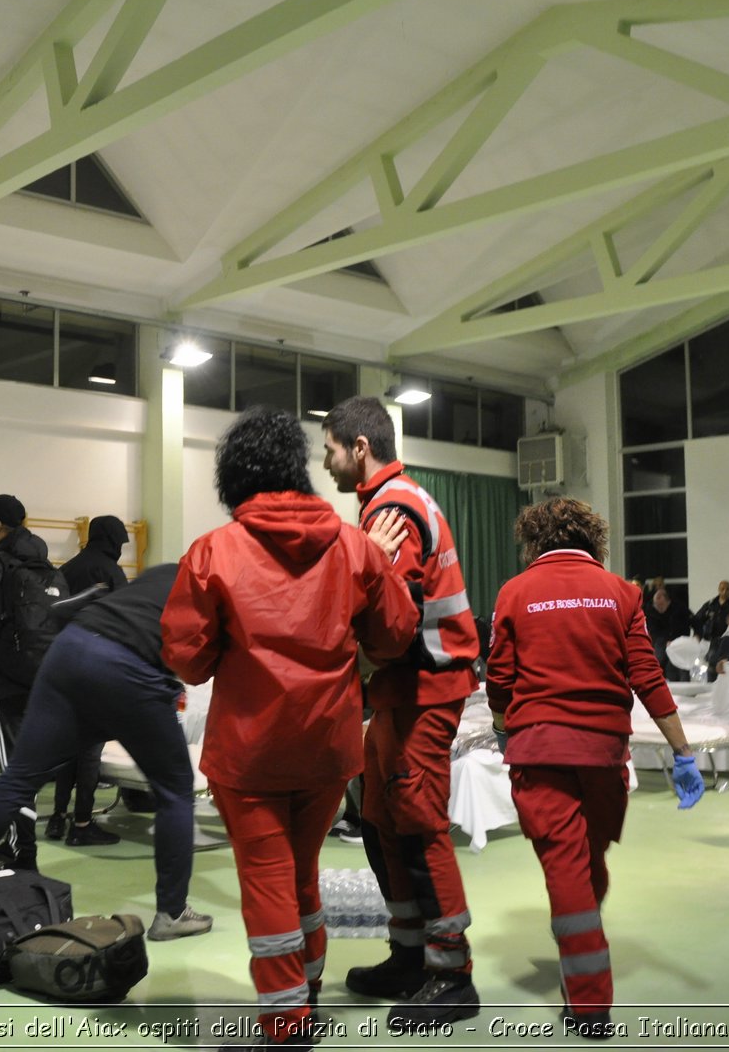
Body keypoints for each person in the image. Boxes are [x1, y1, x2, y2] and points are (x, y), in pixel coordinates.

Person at [163, 407, 419, 1052]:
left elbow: (187, 658)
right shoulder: (355, 544)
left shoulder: (213, 552)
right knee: (301, 872)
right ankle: (302, 998)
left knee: (270, 881)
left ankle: (286, 1031)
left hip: (250, 752)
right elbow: (393, 636)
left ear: (232, 477)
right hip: (329, 748)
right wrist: (380, 568)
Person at [484, 497, 704, 1039]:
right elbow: (647, 675)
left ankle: (590, 1006)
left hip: (538, 754)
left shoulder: (515, 593)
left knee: (568, 872)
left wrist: (501, 728)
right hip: (605, 755)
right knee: (588, 860)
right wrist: (682, 751)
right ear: (592, 540)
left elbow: (499, 679)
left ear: (534, 541)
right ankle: (582, 946)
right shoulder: (621, 593)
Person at [320, 395, 486, 1030]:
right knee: (383, 820)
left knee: (416, 824)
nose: (326, 463)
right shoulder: (394, 503)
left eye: (330, 450)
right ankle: (411, 954)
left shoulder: (391, 509)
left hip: (423, 686)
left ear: (360, 448)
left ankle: (452, 973)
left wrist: (354, 571)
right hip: (403, 689)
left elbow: (393, 620)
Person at [0, 563, 214, 938]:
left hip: (71, 650)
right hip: (129, 670)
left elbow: (62, 610)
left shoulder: (167, 571)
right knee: (175, 789)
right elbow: (199, 667)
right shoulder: (222, 595)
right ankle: (172, 913)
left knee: (18, 780)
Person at [0, 494, 66, 853]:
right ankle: (17, 841)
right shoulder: (44, 564)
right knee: (25, 767)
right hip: (42, 676)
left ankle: (23, 850)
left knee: (12, 771)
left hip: (4, 680)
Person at [46, 514, 132, 846]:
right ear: (112, 540)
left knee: (68, 748)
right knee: (90, 753)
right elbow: (125, 619)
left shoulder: (66, 568)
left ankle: (57, 817)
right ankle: (82, 825)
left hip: (64, 663)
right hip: (97, 667)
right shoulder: (111, 572)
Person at [690, 581, 729, 674]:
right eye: (722, 589)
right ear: (718, 590)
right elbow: (697, 620)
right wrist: (697, 635)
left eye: (727, 589)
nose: (724, 592)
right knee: (712, 668)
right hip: (713, 642)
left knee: (728, 668)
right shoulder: (711, 605)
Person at [644, 586, 692, 681]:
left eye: (659, 605)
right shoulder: (651, 610)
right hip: (660, 641)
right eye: (656, 605)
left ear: (665, 600)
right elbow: (653, 629)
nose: (657, 607)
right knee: (659, 660)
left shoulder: (679, 609)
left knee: (678, 666)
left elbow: (691, 623)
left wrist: (696, 637)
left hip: (679, 641)